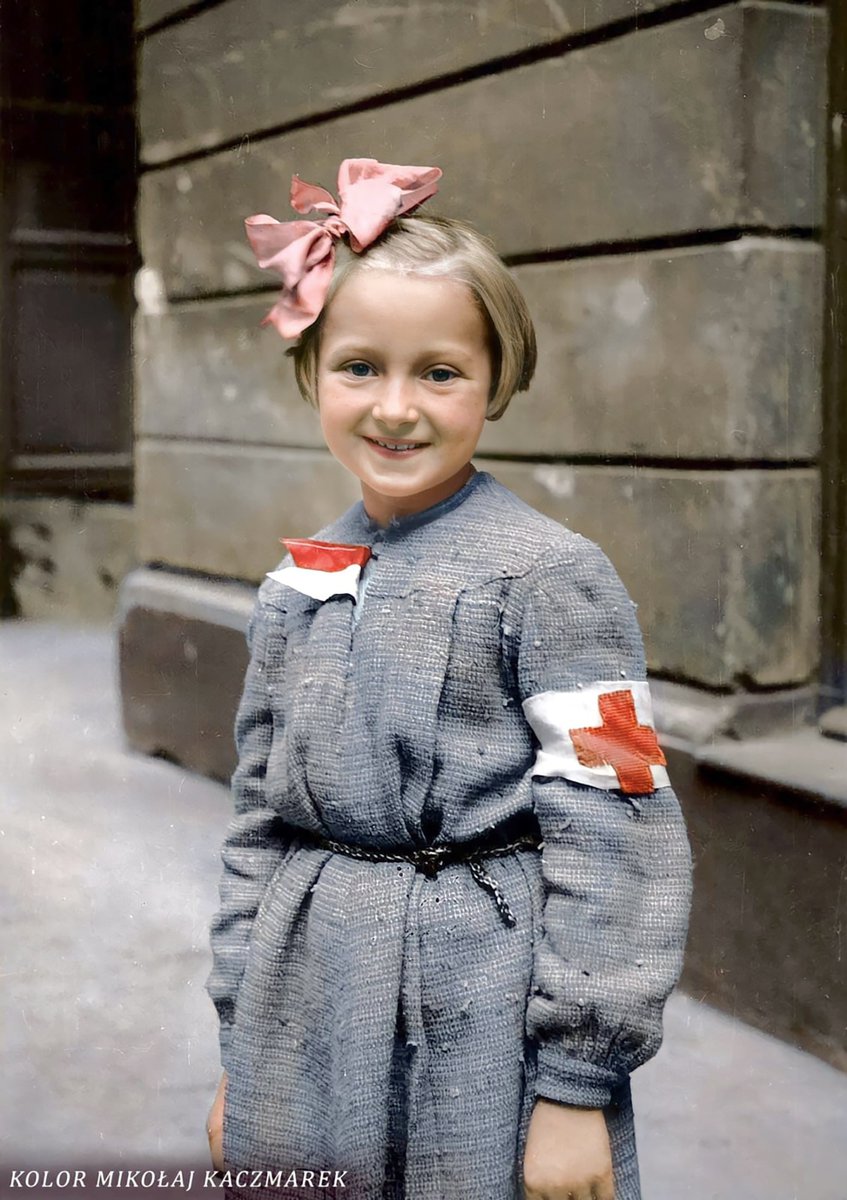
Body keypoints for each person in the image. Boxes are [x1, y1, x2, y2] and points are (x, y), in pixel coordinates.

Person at [204, 158, 693, 1200]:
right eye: (357, 367)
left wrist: (573, 1089)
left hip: (481, 1016)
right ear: (310, 375)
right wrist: (241, 1052)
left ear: (497, 381)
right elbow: (256, 823)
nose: (394, 409)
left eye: (438, 372)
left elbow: (619, 828)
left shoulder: (554, 580)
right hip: (308, 1005)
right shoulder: (301, 579)